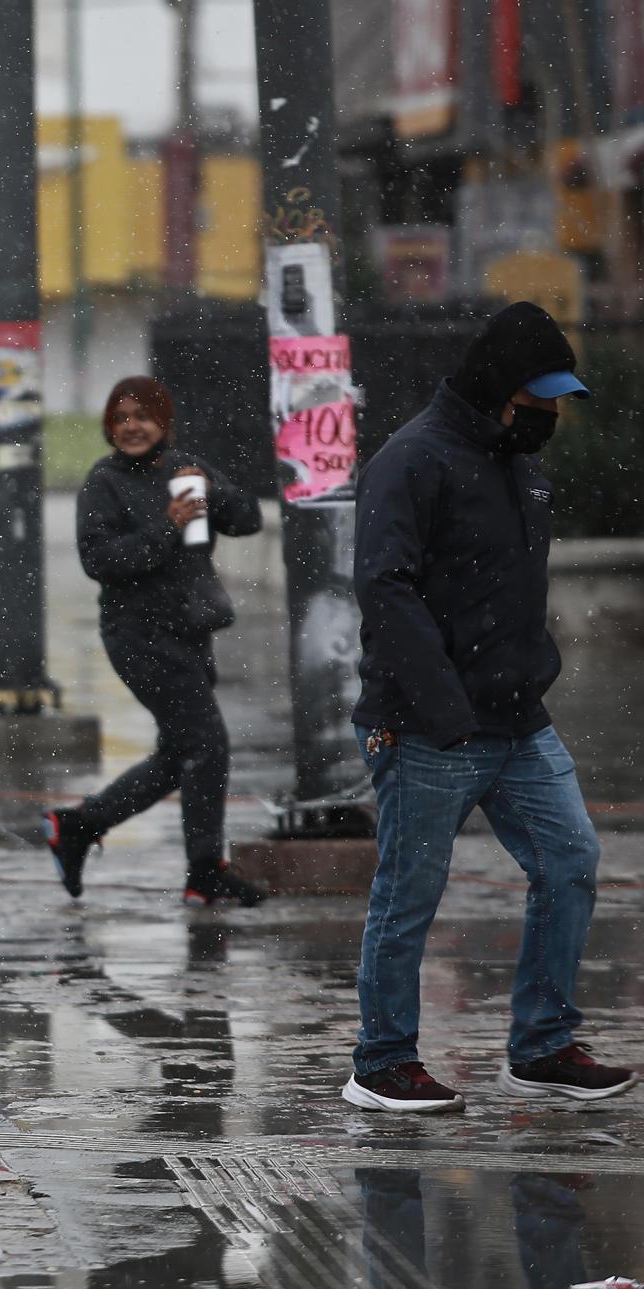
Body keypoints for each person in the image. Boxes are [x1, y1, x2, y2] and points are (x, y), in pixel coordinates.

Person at [341, 302, 635, 1113]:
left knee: (570, 862)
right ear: (498, 387)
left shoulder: (518, 463)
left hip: (517, 719)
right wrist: (442, 705)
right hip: (429, 722)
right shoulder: (411, 461)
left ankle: (541, 1047)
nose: (550, 414)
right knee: (409, 895)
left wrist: (531, 672)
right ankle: (382, 1062)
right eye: (538, 397)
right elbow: (385, 589)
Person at [43, 376, 267, 907]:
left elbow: (250, 520)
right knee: (206, 745)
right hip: (138, 636)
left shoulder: (186, 469)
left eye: (142, 417)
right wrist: (167, 526)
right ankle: (204, 870)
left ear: (164, 422)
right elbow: (101, 561)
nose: (131, 428)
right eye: (120, 419)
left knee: (181, 753)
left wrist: (213, 493)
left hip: (190, 631)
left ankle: (78, 825)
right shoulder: (104, 482)